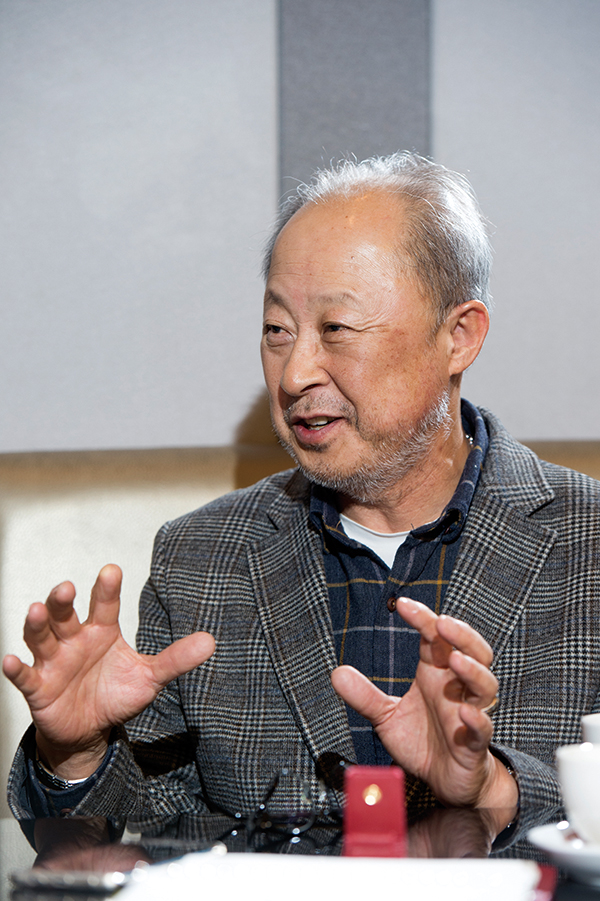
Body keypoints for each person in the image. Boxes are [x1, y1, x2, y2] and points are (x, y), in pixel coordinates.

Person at [4, 153, 599, 841]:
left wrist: (494, 788)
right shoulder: (201, 559)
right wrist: (77, 754)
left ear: (458, 336)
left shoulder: (586, 543)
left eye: (335, 329)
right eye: (277, 331)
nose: (294, 375)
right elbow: (151, 837)